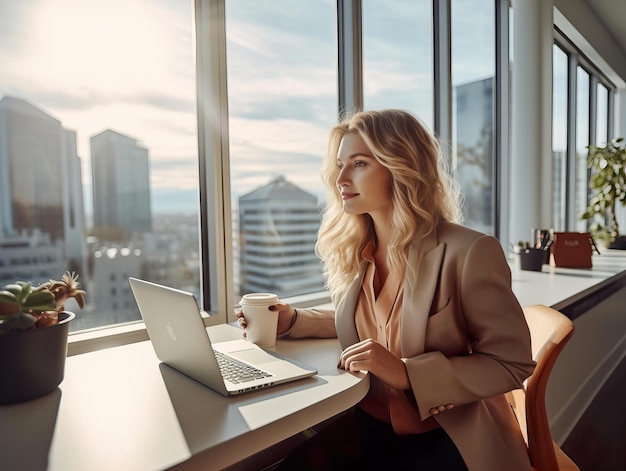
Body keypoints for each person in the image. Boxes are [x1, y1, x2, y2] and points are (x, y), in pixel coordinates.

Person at [237, 109, 535, 471]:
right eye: (339, 165)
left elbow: (511, 363)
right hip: (369, 422)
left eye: (359, 163)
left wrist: (409, 373)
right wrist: (293, 320)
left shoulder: (469, 251)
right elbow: (374, 323)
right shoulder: (354, 250)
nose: (341, 178)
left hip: (447, 433)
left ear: (401, 167)